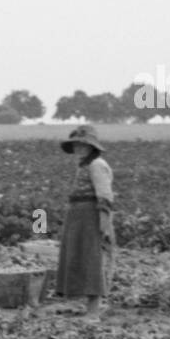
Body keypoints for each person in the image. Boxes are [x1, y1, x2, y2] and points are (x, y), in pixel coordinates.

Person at [55, 124, 114, 319]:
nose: (79, 149)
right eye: (77, 145)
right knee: (79, 258)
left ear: (92, 147)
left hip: (90, 216)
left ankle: (94, 309)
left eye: (83, 145)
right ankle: (88, 306)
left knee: (92, 259)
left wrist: (104, 225)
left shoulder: (97, 165)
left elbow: (104, 197)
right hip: (78, 217)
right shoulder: (84, 165)